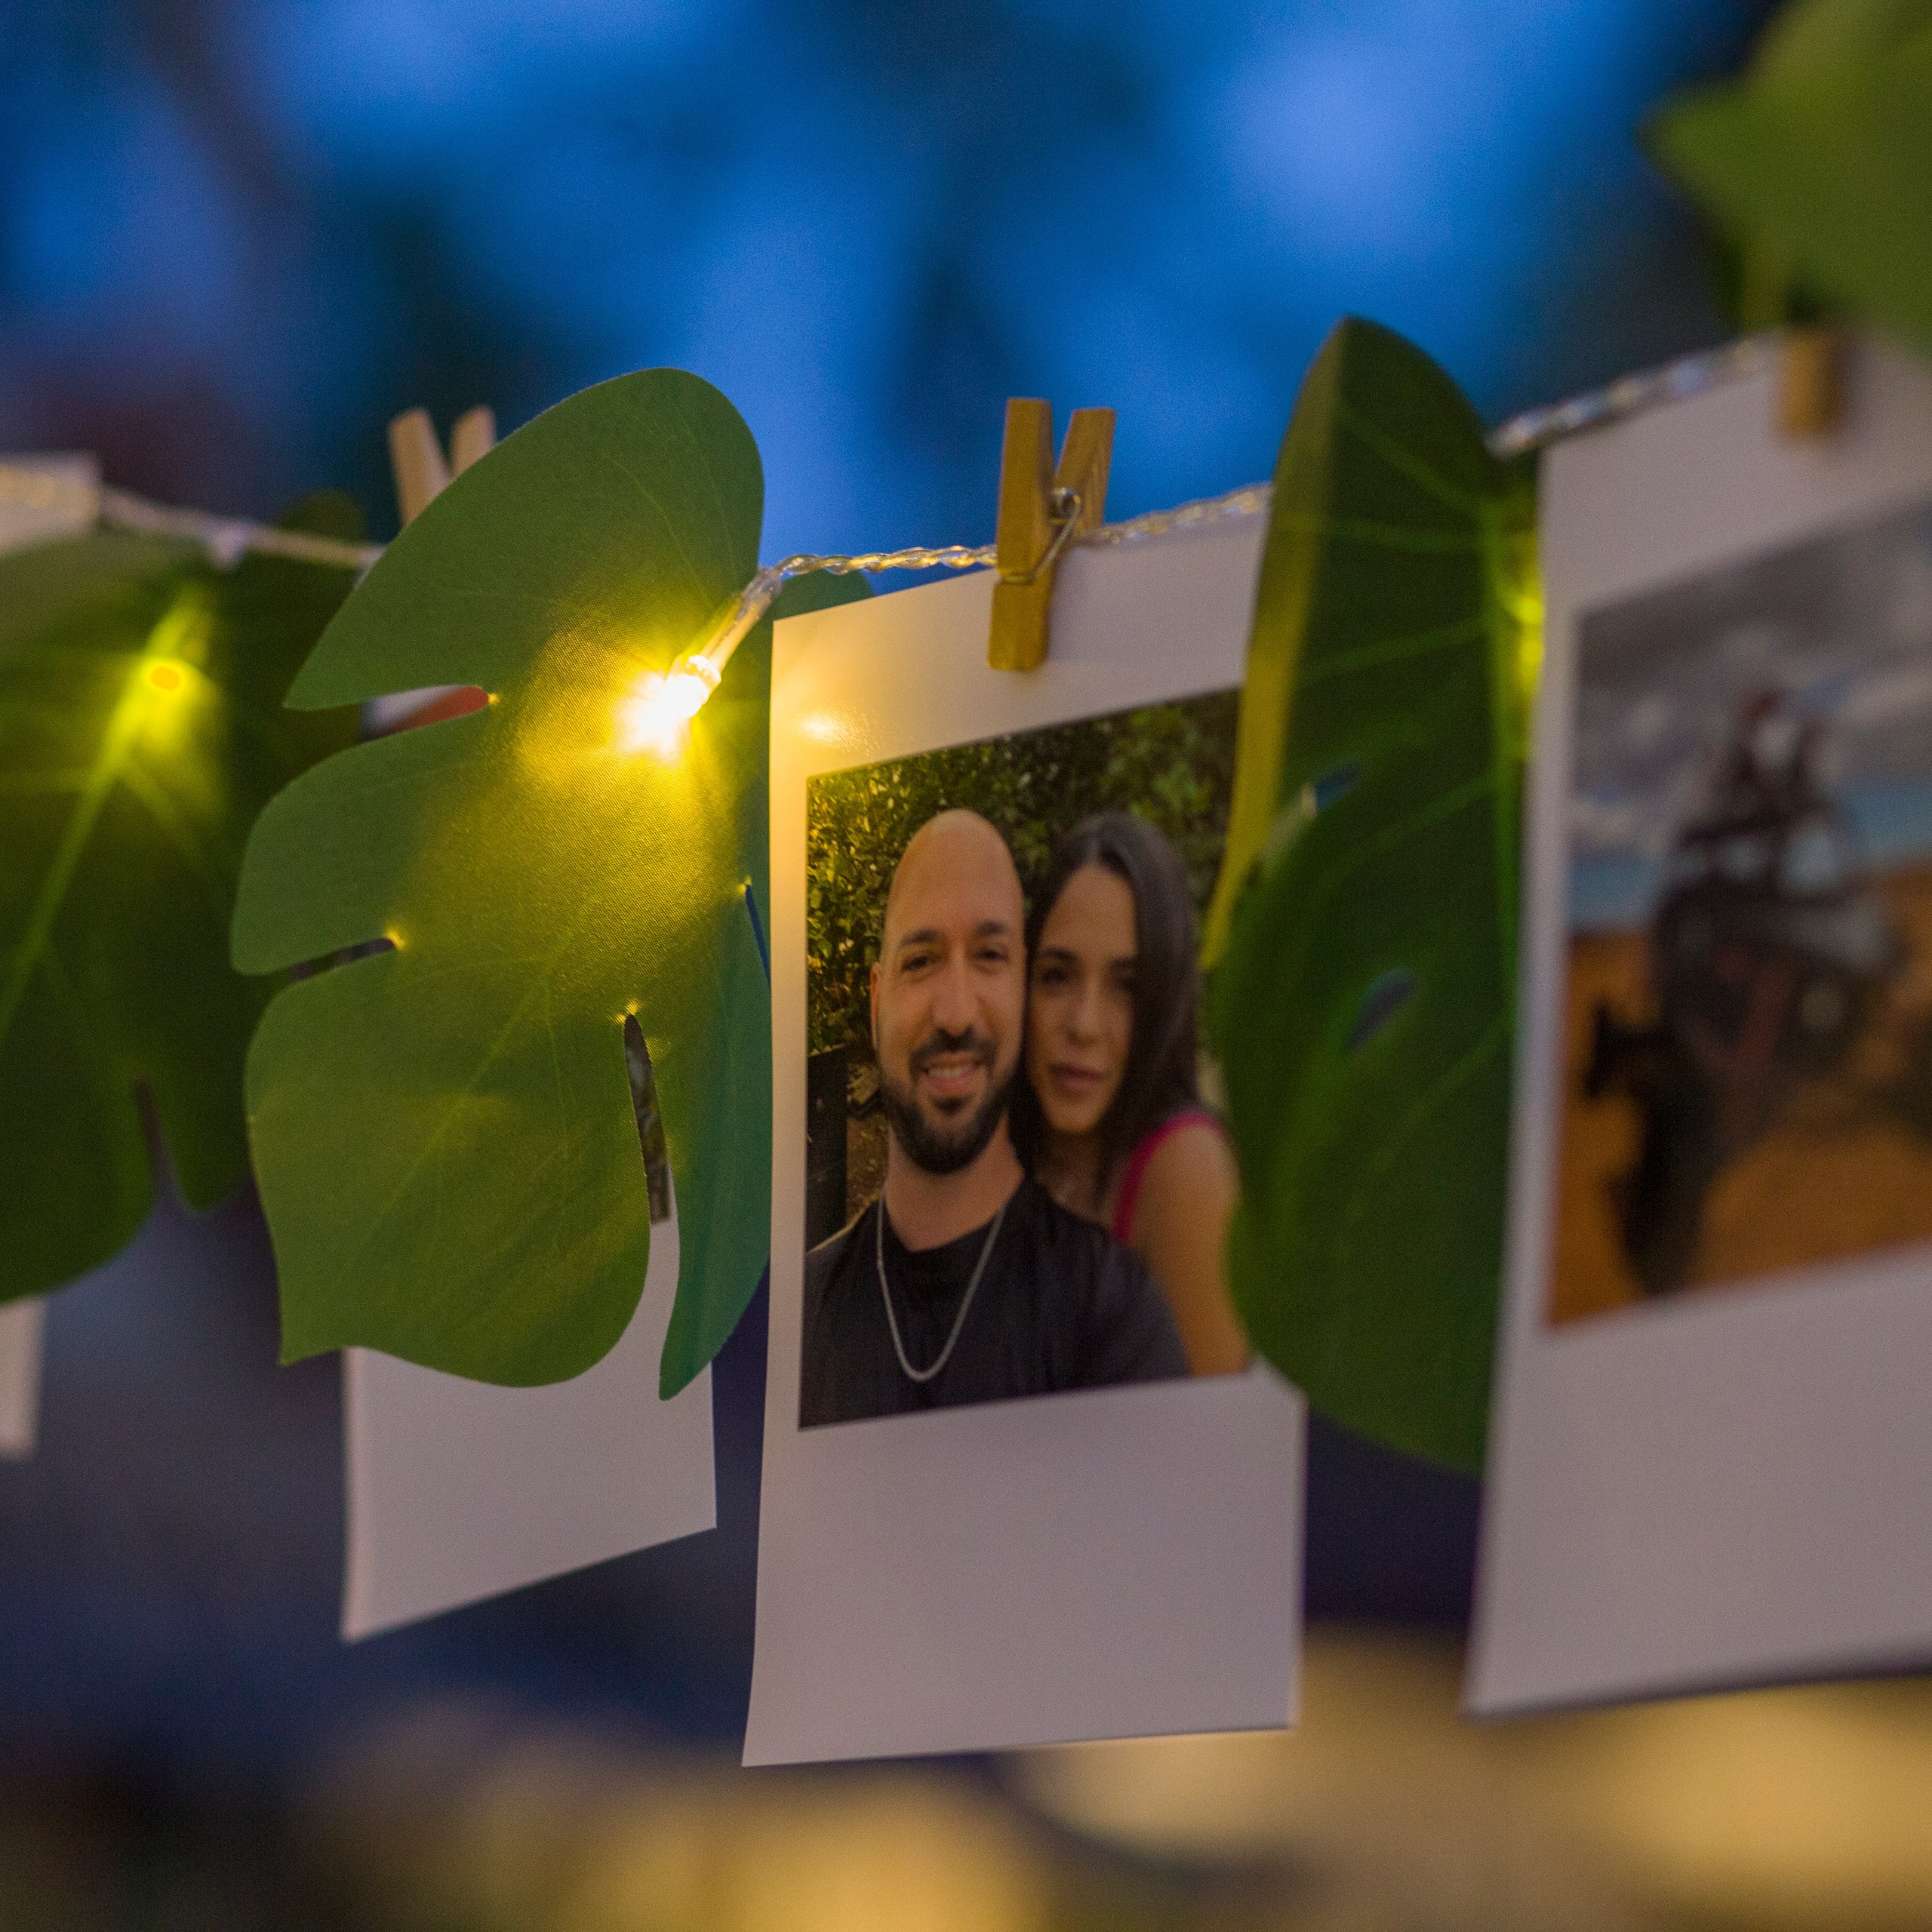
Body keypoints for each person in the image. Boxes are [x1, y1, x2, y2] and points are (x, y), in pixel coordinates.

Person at [800, 808, 1189, 1427]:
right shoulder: (798, 1317)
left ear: (1025, 990)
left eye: (989, 955)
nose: (955, 1014)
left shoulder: (1112, 1312)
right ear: (877, 1004)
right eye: (921, 961)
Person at [1011, 812, 1249, 1377]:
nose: (1085, 1025)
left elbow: (1218, 1450)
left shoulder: (1184, 1172)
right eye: (1058, 976)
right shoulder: (1010, 1152)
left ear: (1162, 1004)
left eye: (1126, 988)